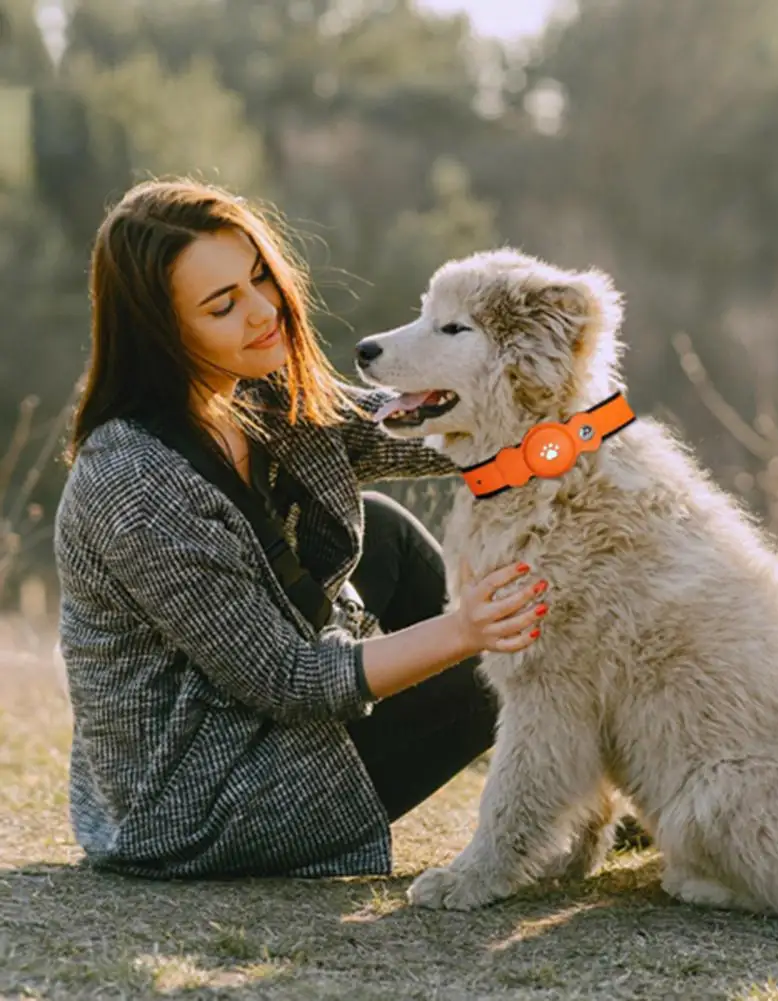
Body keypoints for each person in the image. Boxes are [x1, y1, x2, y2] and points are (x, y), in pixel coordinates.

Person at [53, 178, 549, 879]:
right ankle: (565, 792)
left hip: (258, 714)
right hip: (199, 795)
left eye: (260, 276)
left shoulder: (256, 391)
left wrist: (564, 423)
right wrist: (466, 630)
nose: (263, 310)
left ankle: (596, 784)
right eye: (223, 305)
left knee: (383, 531)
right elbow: (286, 680)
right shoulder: (135, 483)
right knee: (502, 664)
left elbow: (415, 431)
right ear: (161, 333)